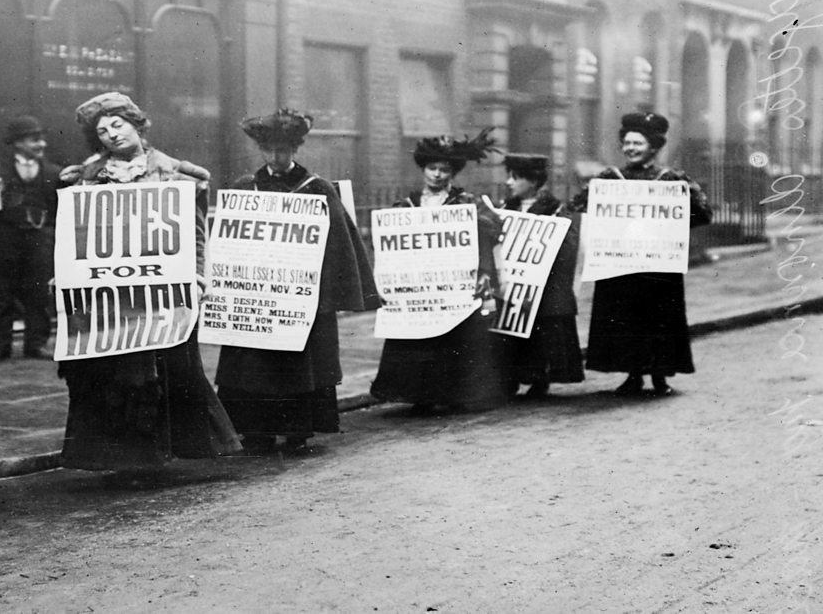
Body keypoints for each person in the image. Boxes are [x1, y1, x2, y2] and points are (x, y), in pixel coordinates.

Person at [56, 91, 241, 474]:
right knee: (112, 371)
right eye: (103, 131)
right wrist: (65, 270)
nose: (112, 135)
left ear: (137, 125)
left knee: (167, 369)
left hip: (163, 293)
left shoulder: (176, 176)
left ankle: (163, 453)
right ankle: (122, 457)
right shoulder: (86, 179)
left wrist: (198, 275)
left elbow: (196, 233)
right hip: (110, 294)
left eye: (118, 125)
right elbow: (76, 233)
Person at [215, 108, 379, 454]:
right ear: (261, 151)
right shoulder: (246, 188)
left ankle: (295, 431)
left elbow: (339, 247)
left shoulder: (316, 189)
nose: (276, 158)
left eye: (284, 151)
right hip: (257, 295)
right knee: (253, 367)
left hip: (301, 296)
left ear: (295, 150)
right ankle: (255, 431)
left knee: (297, 367)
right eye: (269, 151)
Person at [369, 129, 513, 412]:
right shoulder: (407, 205)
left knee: (454, 337)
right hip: (419, 285)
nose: (437, 175)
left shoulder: (465, 203)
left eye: (444, 170)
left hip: (454, 285)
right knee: (418, 339)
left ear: (453, 172)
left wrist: (478, 221)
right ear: (423, 169)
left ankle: (453, 394)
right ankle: (420, 395)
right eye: (432, 169)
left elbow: (494, 227)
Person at [570, 112, 712, 396]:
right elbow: (579, 205)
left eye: (638, 143)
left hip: (657, 266)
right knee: (625, 319)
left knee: (658, 318)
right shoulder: (609, 178)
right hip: (620, 263)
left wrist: (672, 222)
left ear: (654, 147)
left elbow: (702, 214)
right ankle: (632, 375)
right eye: (627, 142)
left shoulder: (671, 179)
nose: (631, 148)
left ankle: (660, 376)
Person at [498, 153, 584, 398]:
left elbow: (567, 247)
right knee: (509, 331)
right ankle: (510, 377)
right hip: (513, 283)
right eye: (509, 177)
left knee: (539, 334)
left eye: (515, 178)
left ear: (533, 182)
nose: (509, 183)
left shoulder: (555, 210)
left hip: (541, 285)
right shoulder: (506, 208)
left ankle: (539, 378)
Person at [0, 116, 62, 361]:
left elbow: (58, 209)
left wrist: (49, 234)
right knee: (2, 291)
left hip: (40, 237)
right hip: (6, 237)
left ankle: (36, 344)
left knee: (39, 292)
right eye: (34, 139)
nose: (41, 144)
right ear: (17, 143)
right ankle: (0, 344)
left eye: (42, 138)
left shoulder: (53, 172)